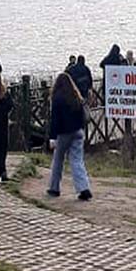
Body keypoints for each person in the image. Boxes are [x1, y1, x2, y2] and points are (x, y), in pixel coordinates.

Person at [47, 72, 93, 201]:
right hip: (78, 132)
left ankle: (54, 188)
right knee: (77, 161)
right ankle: (84, 188)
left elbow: (55, 120)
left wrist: (52, 137)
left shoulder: (57, 98)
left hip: (63, 133)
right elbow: (81, 116)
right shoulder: (75, 96)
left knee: (58, 160)